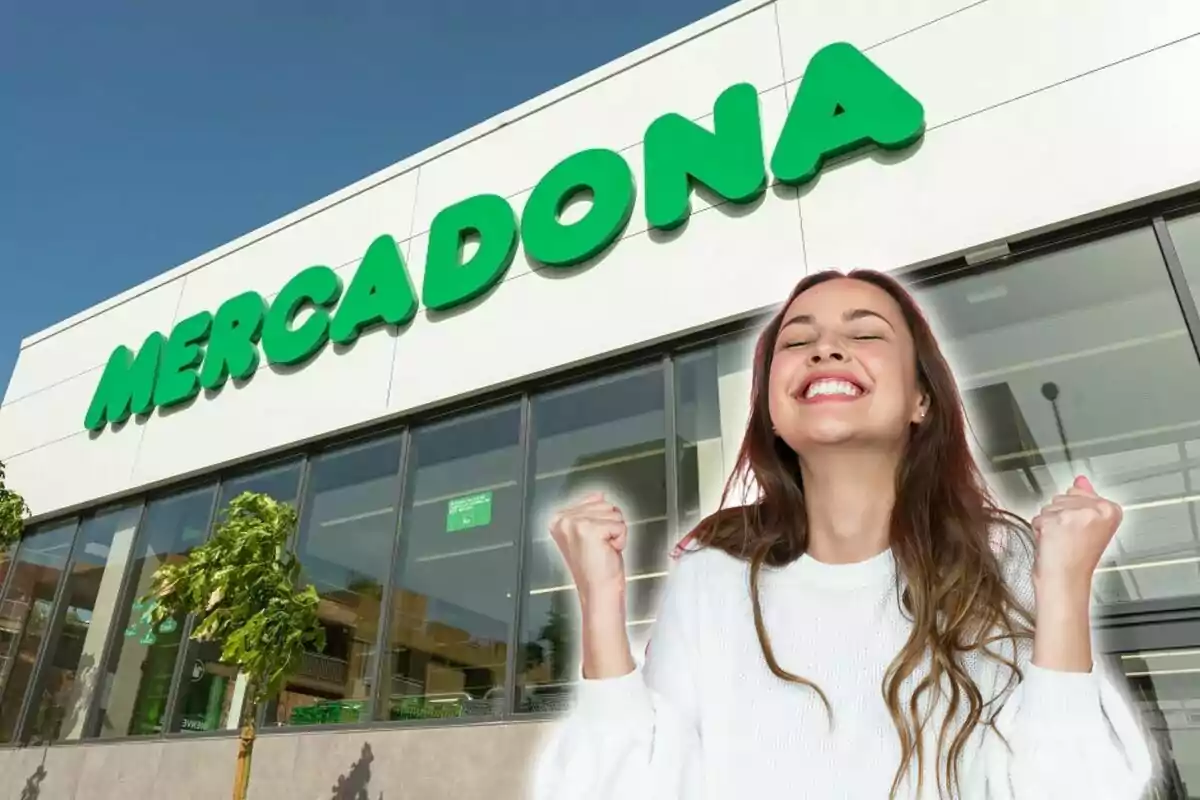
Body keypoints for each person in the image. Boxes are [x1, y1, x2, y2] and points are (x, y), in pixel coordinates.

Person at [533, 270, 1154, 800]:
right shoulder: (710, 573)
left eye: (864, 334)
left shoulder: (999, 557)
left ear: (921, 399)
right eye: (797, 341)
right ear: (772, 410)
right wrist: (600, 603)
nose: (825, 350)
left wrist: (1065, 587)